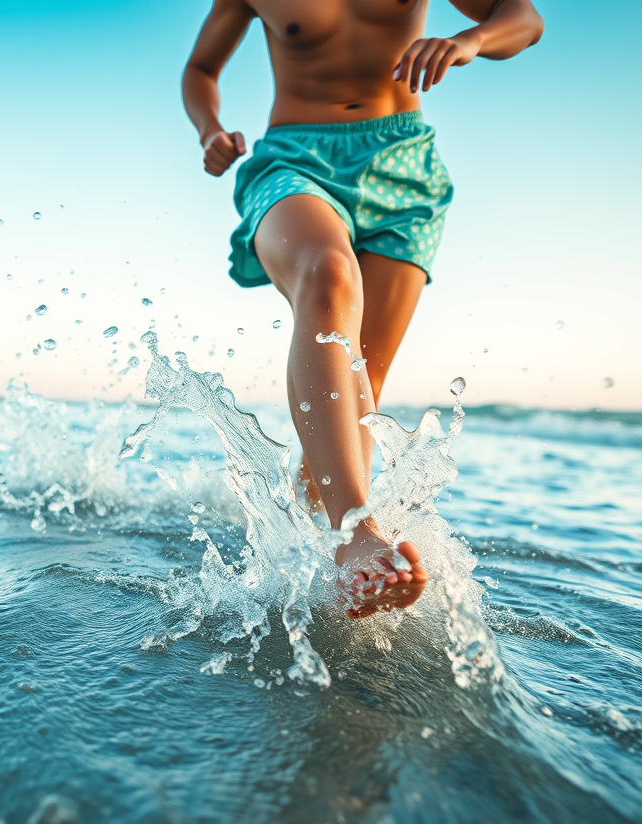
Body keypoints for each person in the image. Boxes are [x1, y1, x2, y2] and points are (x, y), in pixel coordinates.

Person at [182, 0, 542, 618]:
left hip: (403, 167)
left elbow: (525, 20)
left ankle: (310, 547)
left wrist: (470, 40)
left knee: (361, 390)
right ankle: (355, 534)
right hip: (294, 160)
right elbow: (200, 69)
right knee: (327, 275)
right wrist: (210, 129)